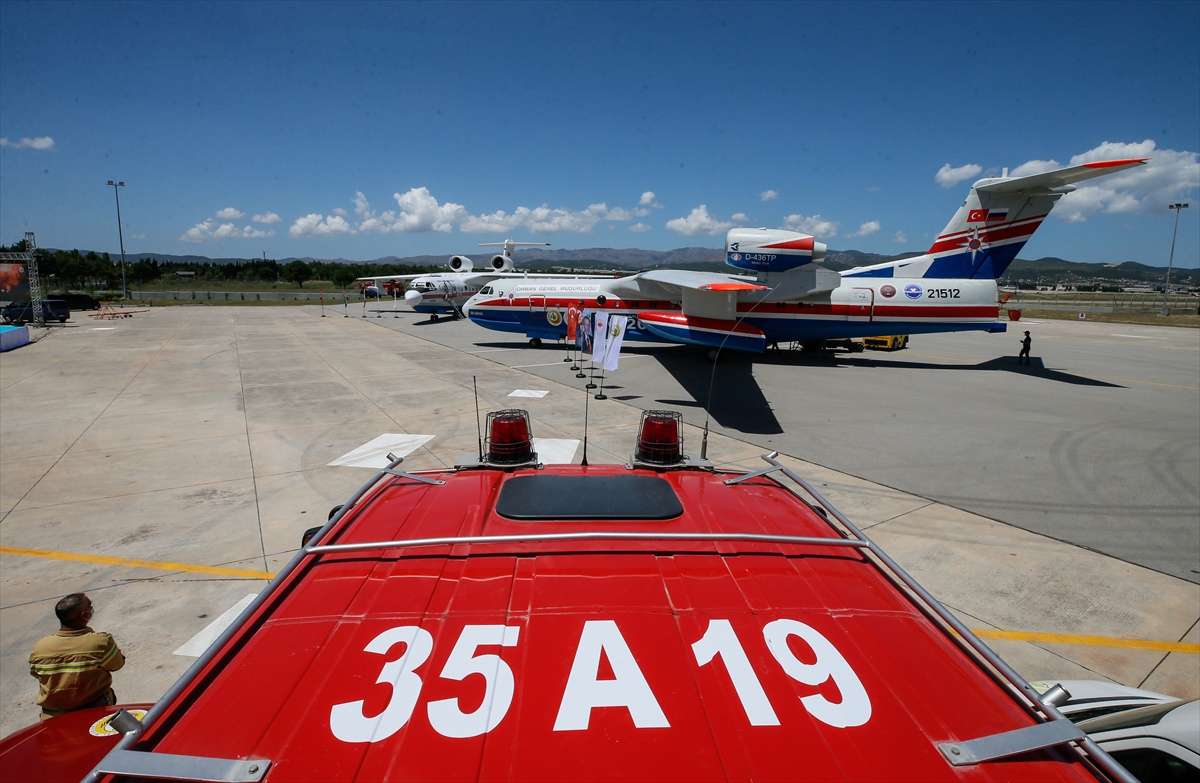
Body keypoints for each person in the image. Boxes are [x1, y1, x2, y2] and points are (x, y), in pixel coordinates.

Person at [29, 593, 125, 720]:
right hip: (95, 712)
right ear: (84, 615)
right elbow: (117, 664)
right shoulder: (100, 642)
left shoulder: (40, 647)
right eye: (90, 609)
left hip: (52, 717)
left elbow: (36, 673)